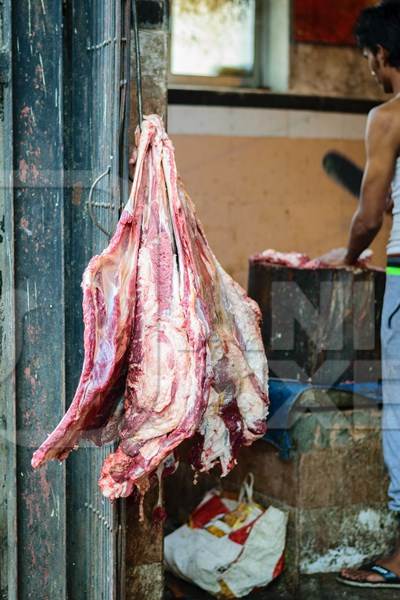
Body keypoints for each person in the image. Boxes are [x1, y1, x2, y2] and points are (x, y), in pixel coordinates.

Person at [325, 1, 400, 589]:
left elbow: (369, 215)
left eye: (369, 58)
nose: (371, 70)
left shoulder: (387, 116)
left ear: (381, 54)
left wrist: (348, 255)